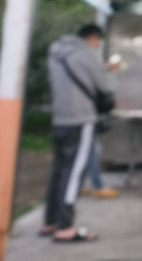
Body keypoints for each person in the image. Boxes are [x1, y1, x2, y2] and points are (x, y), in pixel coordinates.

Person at [42, 24, 114, 242]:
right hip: (81, 120)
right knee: (73, 175)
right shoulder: (86, 53)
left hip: (60, 120)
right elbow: (104, 86)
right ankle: (66, 227)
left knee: (58, 172)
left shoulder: (56, 50)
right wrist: (107, 70)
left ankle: (50, 221)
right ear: (92, 38)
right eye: (98, 41)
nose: (98, 45)